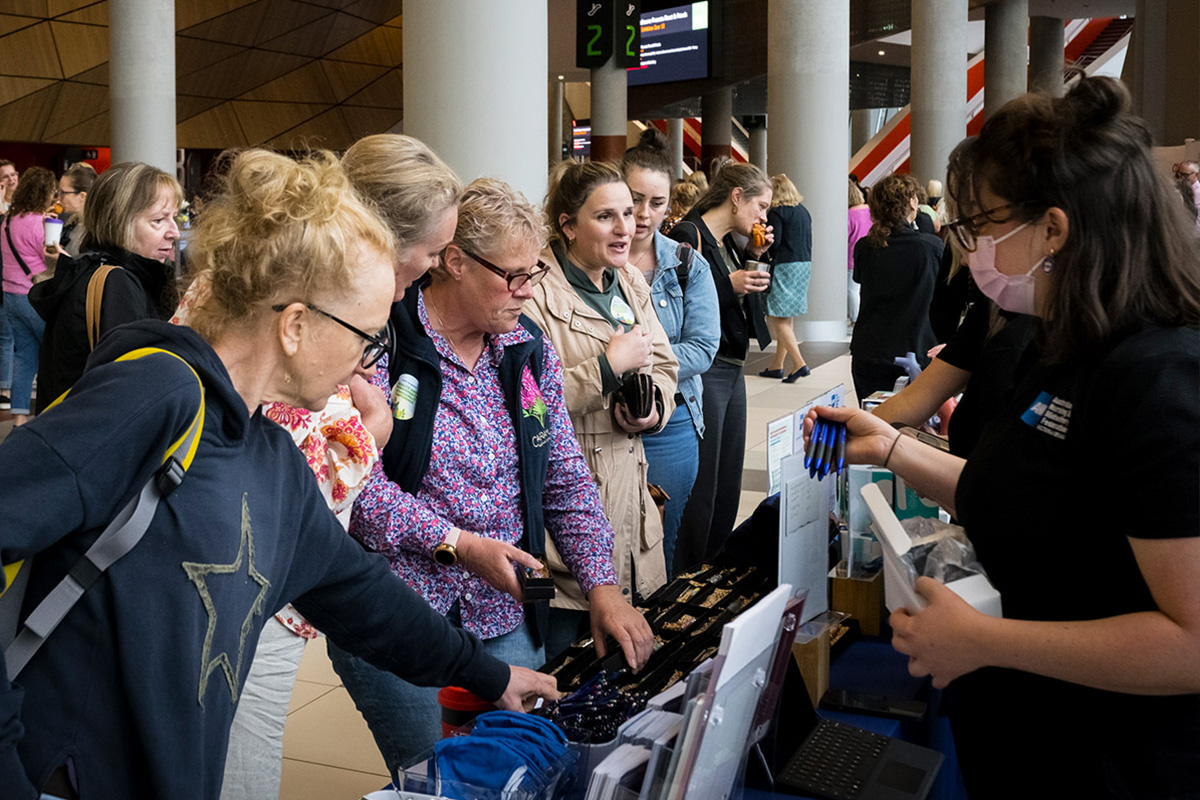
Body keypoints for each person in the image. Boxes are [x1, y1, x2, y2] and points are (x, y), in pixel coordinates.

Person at [0, 149, 557, 800]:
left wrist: (488, 675)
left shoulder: (270, 458)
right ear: (295, 325)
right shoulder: (154, 395)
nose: (368, 360)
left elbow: (359, 596)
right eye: (368, 337)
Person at [805, 77, 1200, 800]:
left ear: (1054, 229)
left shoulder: (1158, 376)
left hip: (1118, 758)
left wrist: (989, 642)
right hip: (1033, 734)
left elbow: (1192, 641)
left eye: (984, 225)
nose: (975, 248)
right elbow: (1033, 500)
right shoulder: (1062, 344)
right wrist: (892, 448)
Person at [331, 177, 652, 773]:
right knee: (435, 776)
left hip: (505, 612)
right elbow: (358, 489)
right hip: (400, 612)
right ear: (453, 261)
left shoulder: (525, 351)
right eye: (514, 276)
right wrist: (461, 546)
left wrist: (602, 584)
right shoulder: (383, 344)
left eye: (535, 273)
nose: (528, 292)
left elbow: (563, 476)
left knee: (511, 768)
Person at [212, 133, 465, 800]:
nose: (438, 267)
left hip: (266, 594)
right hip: (246, 602)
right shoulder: (305, 315)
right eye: (433, 251)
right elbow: (280, 497)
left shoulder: (304, 296)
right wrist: (370, 435)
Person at [526, 160, 678, 656]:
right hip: (568, 516)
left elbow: (664, 365)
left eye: (628, 214)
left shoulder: (629, 279)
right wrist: (606, 370)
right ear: (568, 226)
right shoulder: (533, 293)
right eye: (605, 217)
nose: (625, 228)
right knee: (564, 671)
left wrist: (652, 410)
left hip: (631, 506)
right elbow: (524, 404)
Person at [622, 130, 719, 578]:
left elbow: (703, 347)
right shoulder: (584, 265)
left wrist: (635, 358)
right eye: (634, 198)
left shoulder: (685, 264)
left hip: (671, 422)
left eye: (656, 203)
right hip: (595, 421)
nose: (643, 214)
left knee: (661, 542)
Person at [667, 163, 773, 572]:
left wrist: (753, 259)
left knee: (727, 484)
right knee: (704, 488)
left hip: (731, 365)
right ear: (736, 197)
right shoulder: (688, 236)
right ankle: (687, 576)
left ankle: (711, 569)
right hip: (705, 370)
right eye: (760, 206)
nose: (763, 217)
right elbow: (681, 306)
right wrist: (729, 285)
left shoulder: (728, 242)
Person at [29, 162, 182, 415]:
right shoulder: (117, 283)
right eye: (159, 220)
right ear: (119, 222)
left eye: (173, 217)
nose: (174, 232)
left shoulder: (93, 270)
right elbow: (136, 389)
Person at [849, 172, 942, 403]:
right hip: (916, 350)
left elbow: (860, 280)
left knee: (873, 423)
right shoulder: (931, 247)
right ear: (912, 202)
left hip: (869, 351)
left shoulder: (865, 246)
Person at [1, 166, 55, 425]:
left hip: (10, 296)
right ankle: (50, 414)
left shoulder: (7, 221)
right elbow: (50, 257)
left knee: (24, 358)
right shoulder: (39, 224)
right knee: (54, 353)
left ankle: (20, 421)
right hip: (34, 298)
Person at [759, 174, 812, 382]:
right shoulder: (803, 211)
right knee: (786, 317)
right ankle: (777, 365)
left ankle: (799, 363)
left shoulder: (777, 213)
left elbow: (775, 241)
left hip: (784, 265)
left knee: (775, 316)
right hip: (803, 265)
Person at [54, 162, 97, 258]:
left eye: (63, 193)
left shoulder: (99, 232)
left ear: (82, 196)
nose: (58, 198)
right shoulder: (72, 224)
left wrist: (63, 258)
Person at [847, 179, 872, 325]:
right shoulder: (869, 210)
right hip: (871, 252)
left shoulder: (849, 215)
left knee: (852, 289)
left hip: (852, 256)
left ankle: (856, 318)